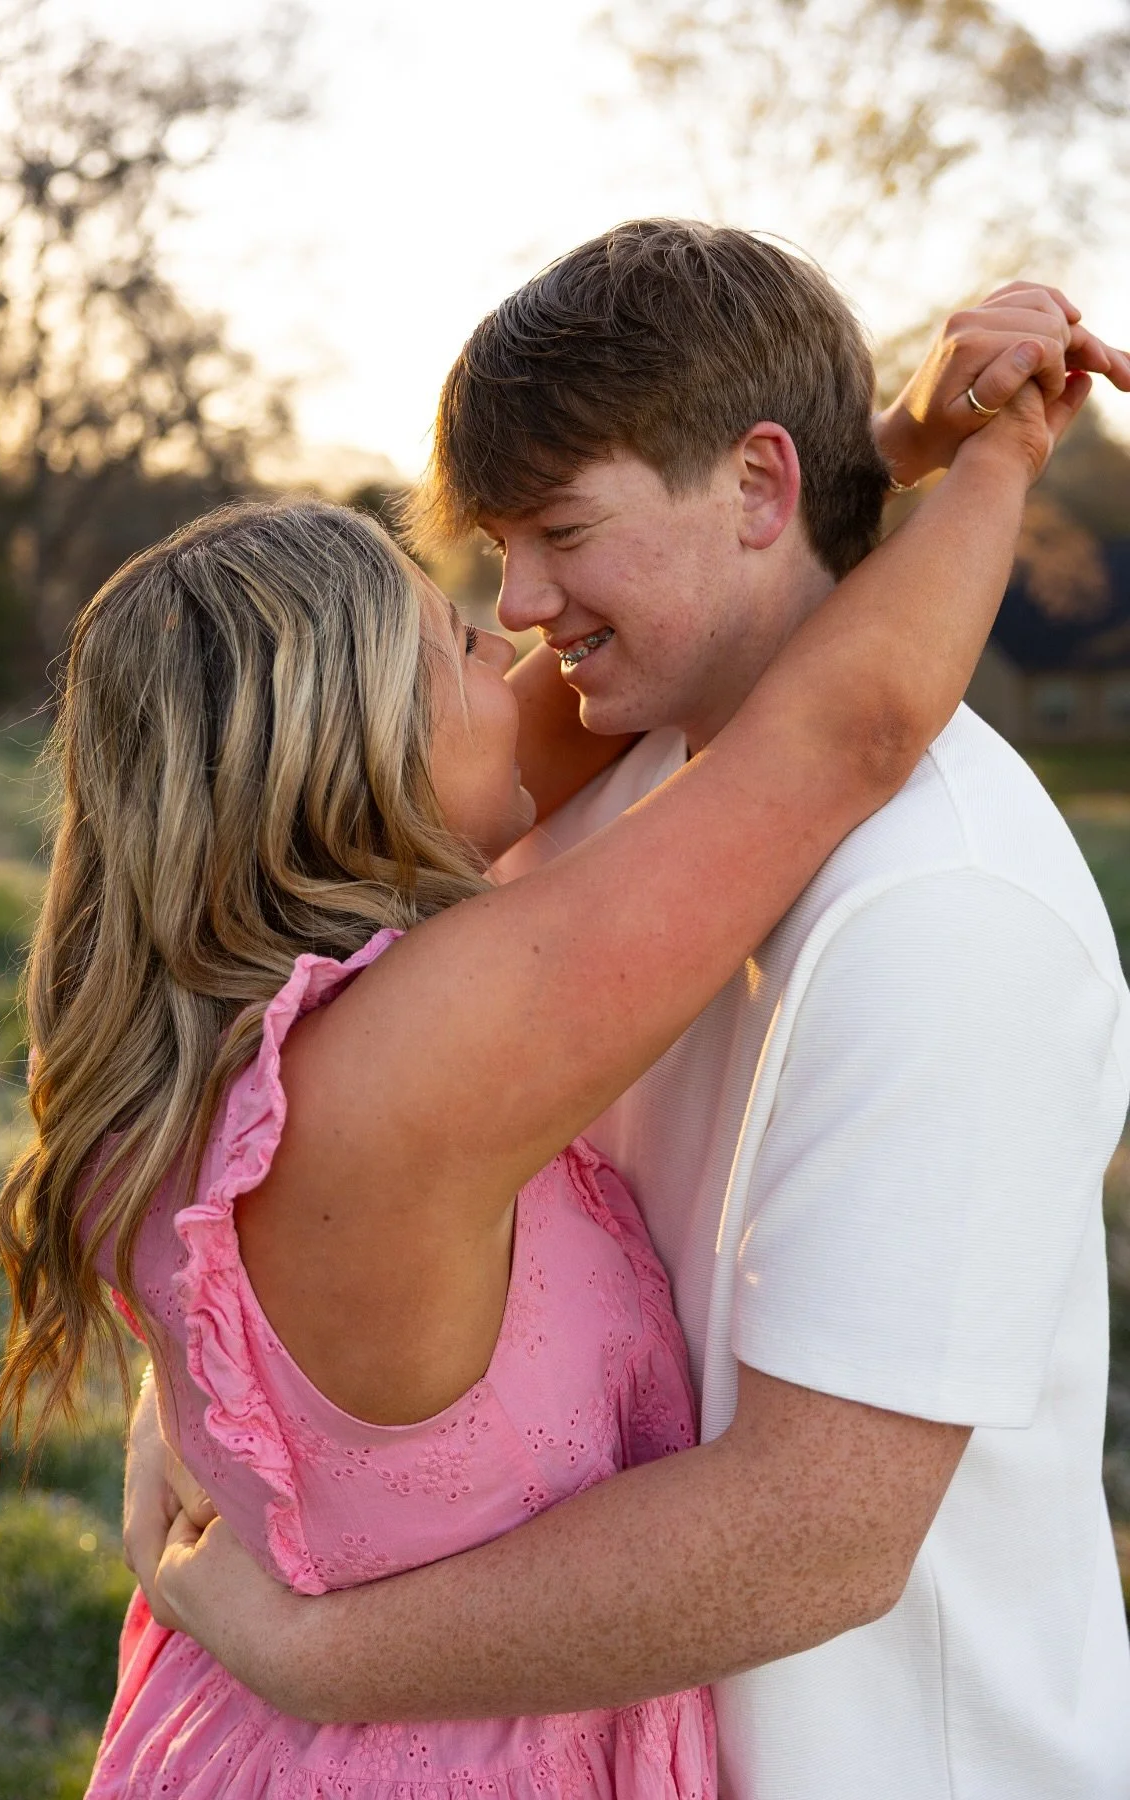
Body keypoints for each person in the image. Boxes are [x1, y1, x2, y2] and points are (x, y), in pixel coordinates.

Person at [131, 225, 1130, 1800]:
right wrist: (973, 448)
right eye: (491, 561)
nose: (520, 609)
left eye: (558, 532)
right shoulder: (578, 792)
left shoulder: (942, 908)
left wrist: (311, 1648)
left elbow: (816, 1536)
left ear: (757, 485)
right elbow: (827, 701)